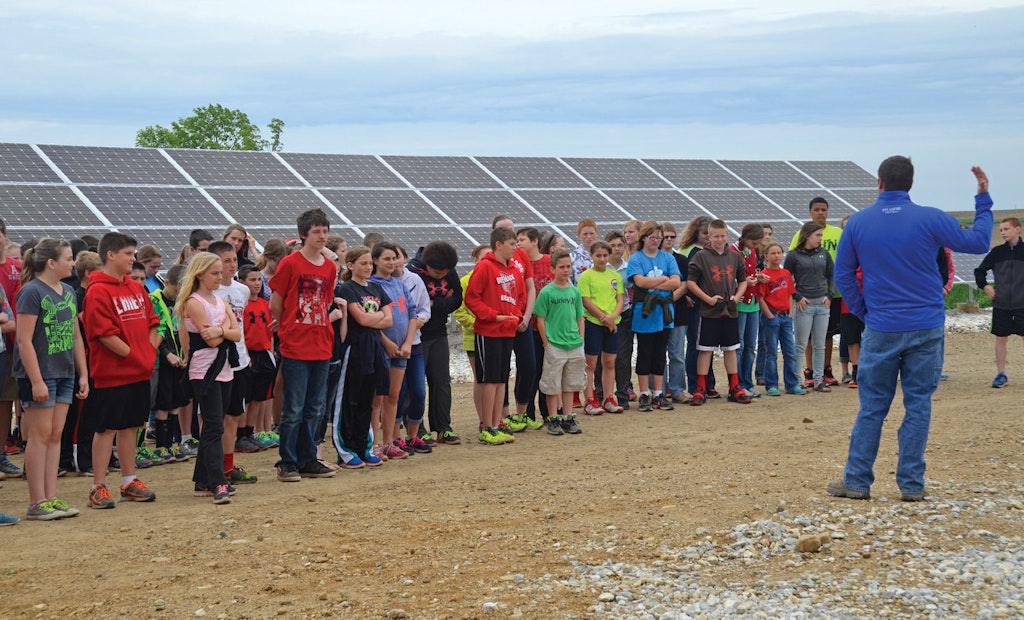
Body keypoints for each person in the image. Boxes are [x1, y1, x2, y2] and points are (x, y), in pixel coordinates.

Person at [827, 158, 992, 502]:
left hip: (882, 326)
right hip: (926, 324)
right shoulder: (931, 217)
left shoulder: (857, 223)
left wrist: (864, 311)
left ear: (880, 182)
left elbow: (843, 275)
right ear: (911, 183)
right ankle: (912, 485)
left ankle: (857, 481)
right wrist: (983, 199)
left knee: (872, 406)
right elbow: (978, 243)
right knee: (918, 403)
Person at [13, 239, 89, 520]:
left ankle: (51, 497)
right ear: (51, 263)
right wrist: (36, 380)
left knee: (56, 435)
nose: (73, 263)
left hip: (64, 372)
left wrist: (83, 374)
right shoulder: (31, 292)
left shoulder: (68, 291)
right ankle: (36, 501)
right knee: (40, 436)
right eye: (69, 259)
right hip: (40, 375)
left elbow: (76, 336)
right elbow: (23, 340)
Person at [83, 232, 160, 508]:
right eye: (128, 254)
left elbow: (153, 321)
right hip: (112, 373)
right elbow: (104, 335)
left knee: (131, 426)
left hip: (138, 371)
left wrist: (148, 354)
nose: (133, 259)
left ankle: (129, 480)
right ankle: (98, 486)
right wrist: (137, 357)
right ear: (110, 255)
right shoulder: (98, 290)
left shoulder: (136, 288)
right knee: (106, 428)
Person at [268, 208, 338, 481]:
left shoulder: (331, 267)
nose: (322, 236)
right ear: (303, 234)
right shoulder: (291, 263)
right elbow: (277, 300)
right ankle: (288, 460)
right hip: (296, 343)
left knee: (315, 407)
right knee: (293, 408)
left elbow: (327, 300)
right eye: (316, 232)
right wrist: (285, 327)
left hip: (322, 342)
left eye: (325, 231)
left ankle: (309, 457)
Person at [177, 253, 240, 504]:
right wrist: (225, 328)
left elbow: (235, 334)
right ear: (200, 274)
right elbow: (211, 340)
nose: (220, 276)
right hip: (204, 371)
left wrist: (222, 328)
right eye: (214, 272)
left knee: (216, 424)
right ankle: (217, 481)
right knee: (213, 425)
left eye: (220, 272)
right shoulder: (194, 302)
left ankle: (203, 480)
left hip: (223, 368)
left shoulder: (218, 300)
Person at [464, 227, 526, 445]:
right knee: (489, 379)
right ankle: (487, 426)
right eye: (511, 244)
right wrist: (493, 316)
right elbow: (472, 298)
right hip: (488, 331)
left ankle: (497, 422)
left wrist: (515, 315)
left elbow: (520, 297)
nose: (515, 249)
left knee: (501, 379)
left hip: (507, 331)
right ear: (498, 244)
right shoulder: (485, 267)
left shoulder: (515, 271)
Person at [368, 242, 426, 459]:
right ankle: (373, 444)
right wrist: (387, 343)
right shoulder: (372, 286)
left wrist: (408, 342)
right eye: (386, 259)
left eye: (394, 258)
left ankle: (388, 443)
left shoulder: (400, 284)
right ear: (375, 260)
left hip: (402, 349)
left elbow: (412, 312)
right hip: (381, 349)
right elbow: (372, 321)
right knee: (377, 398)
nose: (392, 263)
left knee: (394, 396)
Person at [335, 246, 392, 467]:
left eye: (370, 263)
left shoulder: (377, 288)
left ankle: (363, 446)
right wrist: (377, 316)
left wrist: (373, 316)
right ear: (351, 265)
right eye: (363, 263)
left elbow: (389, 320)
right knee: (351, 399)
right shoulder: (347, 289)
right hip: (355, 349)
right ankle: (346, 450)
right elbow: (362, 320)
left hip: (374, 348)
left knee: (367, 400)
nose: (368, 267)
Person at [687, 219, 749, 406]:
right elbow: (691, 282)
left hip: (729, 311)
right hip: (709, 311)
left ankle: (734, 387)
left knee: (731, 349)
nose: (720, 239)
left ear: (727, 235)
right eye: (716, 236)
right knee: (705, 350)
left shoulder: (735, 256)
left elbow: (743, 280)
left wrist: (737, 296)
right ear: (709, 236)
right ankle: (700, 388)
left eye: (723, 236)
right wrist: (707, 299)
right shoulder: (700, 256)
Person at [407, 241, 462, 445]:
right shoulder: (413, 273)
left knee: (441, 382)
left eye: (445, 273)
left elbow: (456, 300)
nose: (442, 277)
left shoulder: (449, 269)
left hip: (439, 333)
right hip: (418, 336)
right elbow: (415, 306)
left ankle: (443, 428)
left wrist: (434, 303)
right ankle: (417, 428)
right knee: (416, 385)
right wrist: (435, 304)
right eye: (438, 274)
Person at [627, 221, 681, 411]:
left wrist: (655, 284)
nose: (656, 241)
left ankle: (658, 392)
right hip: (645, 312)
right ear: (643, 238)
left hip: (664, 312)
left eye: (659, 237)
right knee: (645, 352)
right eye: (652, 237)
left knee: (660, 353)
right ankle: (644, 393)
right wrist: (663, 280)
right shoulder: (636, 258)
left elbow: (676, 282)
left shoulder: (668, 258)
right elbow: (639, 281)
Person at [790, 198, 843, 386]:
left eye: (823, 209)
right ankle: (809, 370)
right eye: (816, 210)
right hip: (806, 296)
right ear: (810, 212)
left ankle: (826, 370)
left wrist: (831, 292)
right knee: (807, 337)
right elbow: (790, 269)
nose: (820, 213)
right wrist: (796, 294)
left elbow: (838, 266)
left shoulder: (838, 233)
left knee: (827, 335)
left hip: (832, 295)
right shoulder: (800, 235)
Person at [534, 250, 585, 435]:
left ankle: (568, 416)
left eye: (568, 266)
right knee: (552, 383)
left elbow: (580, 317)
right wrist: (547, 343)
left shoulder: (574, 291)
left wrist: (581, 338)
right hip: (555, 345)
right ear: (552, 269)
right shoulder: (547, 292)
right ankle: (553, 417)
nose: (566, 270)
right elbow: (540, 319)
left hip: (574, 344)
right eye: (561, 267)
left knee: (570, 383)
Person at [975, 217, 1024, 388]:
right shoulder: (996, 253)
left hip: (1022, 305)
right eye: (1001, 230)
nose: (1002, 232)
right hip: (1001, 305)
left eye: (1006, 229)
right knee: (1001, 339)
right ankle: (1001, 374)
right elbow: (979, 272)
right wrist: (985, 287)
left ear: (1018, 229)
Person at [785, 222, 834, 393]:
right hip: (804, 305)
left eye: (821, 235)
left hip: (822, 305)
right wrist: (797, 296)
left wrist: (830, 295)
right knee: (801, 344)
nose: (820, 239)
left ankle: (819, 380)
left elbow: (831, 275)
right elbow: (786, 278)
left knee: (820, 344)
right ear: (807, 236)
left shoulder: (824, 254)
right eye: (818, 235)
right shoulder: (793, 256)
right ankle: (797, 381)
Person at [577, 240, 625, 415]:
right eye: (598, 255)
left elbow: (620, 299)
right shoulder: (586, 276)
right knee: (590, 363)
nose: (602, 259)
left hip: (613, 324)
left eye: (605, 255)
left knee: (610, 362)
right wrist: (604, 318)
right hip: (593, 323)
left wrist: (612, 317)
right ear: (591, 256)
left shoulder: (615, 276)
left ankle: (609, 397)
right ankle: (590, 399)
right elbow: (586, 300)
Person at [150, 264, 191, 463]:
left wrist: (185, 355)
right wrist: (167, 354)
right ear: (167, 283)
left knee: (177, 403)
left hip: (180, 359)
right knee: (163, 404)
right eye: (176, 289)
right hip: (163, 360)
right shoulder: (155, 301)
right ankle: (161, 446)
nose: (179, 293)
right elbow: (158, 330)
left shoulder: (184, 302)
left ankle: (173, 445)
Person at [757, 243, 803, 396]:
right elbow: (761, 298)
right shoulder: (764, 275)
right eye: (773, 253)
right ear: (766, 256)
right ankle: (771, 384)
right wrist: (769, 316)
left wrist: (790, 314)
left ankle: (791, 384)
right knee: (772, 352)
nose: (776, 256)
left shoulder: (786, 273)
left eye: (779, 252)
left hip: (785, 317)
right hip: (772, 316)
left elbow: (790, 294)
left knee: (789, 352)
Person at [239, 265, 277, 449]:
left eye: (259, 280)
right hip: (248, 355)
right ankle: (240, 436)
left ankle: (250, 431)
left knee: (258, 398)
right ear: (242, 282)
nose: (256, 283)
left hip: (264, 354)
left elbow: (269, 331)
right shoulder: (242, 305)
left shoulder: (264, 304)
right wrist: (245, 355)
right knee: (246, 397)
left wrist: (270, 351)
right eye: (252, 280)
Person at [730, 224, 765, 398]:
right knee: (740, 346)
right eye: (754, 242)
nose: (756, 247)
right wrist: (744, 284)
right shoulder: (733, 252)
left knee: (750, 346)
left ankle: (747, 382)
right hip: (740, 303)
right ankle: (737, 385)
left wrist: (757, 279)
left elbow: (750, 274)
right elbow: (729, 280)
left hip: (753, 303)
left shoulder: (751, 252)